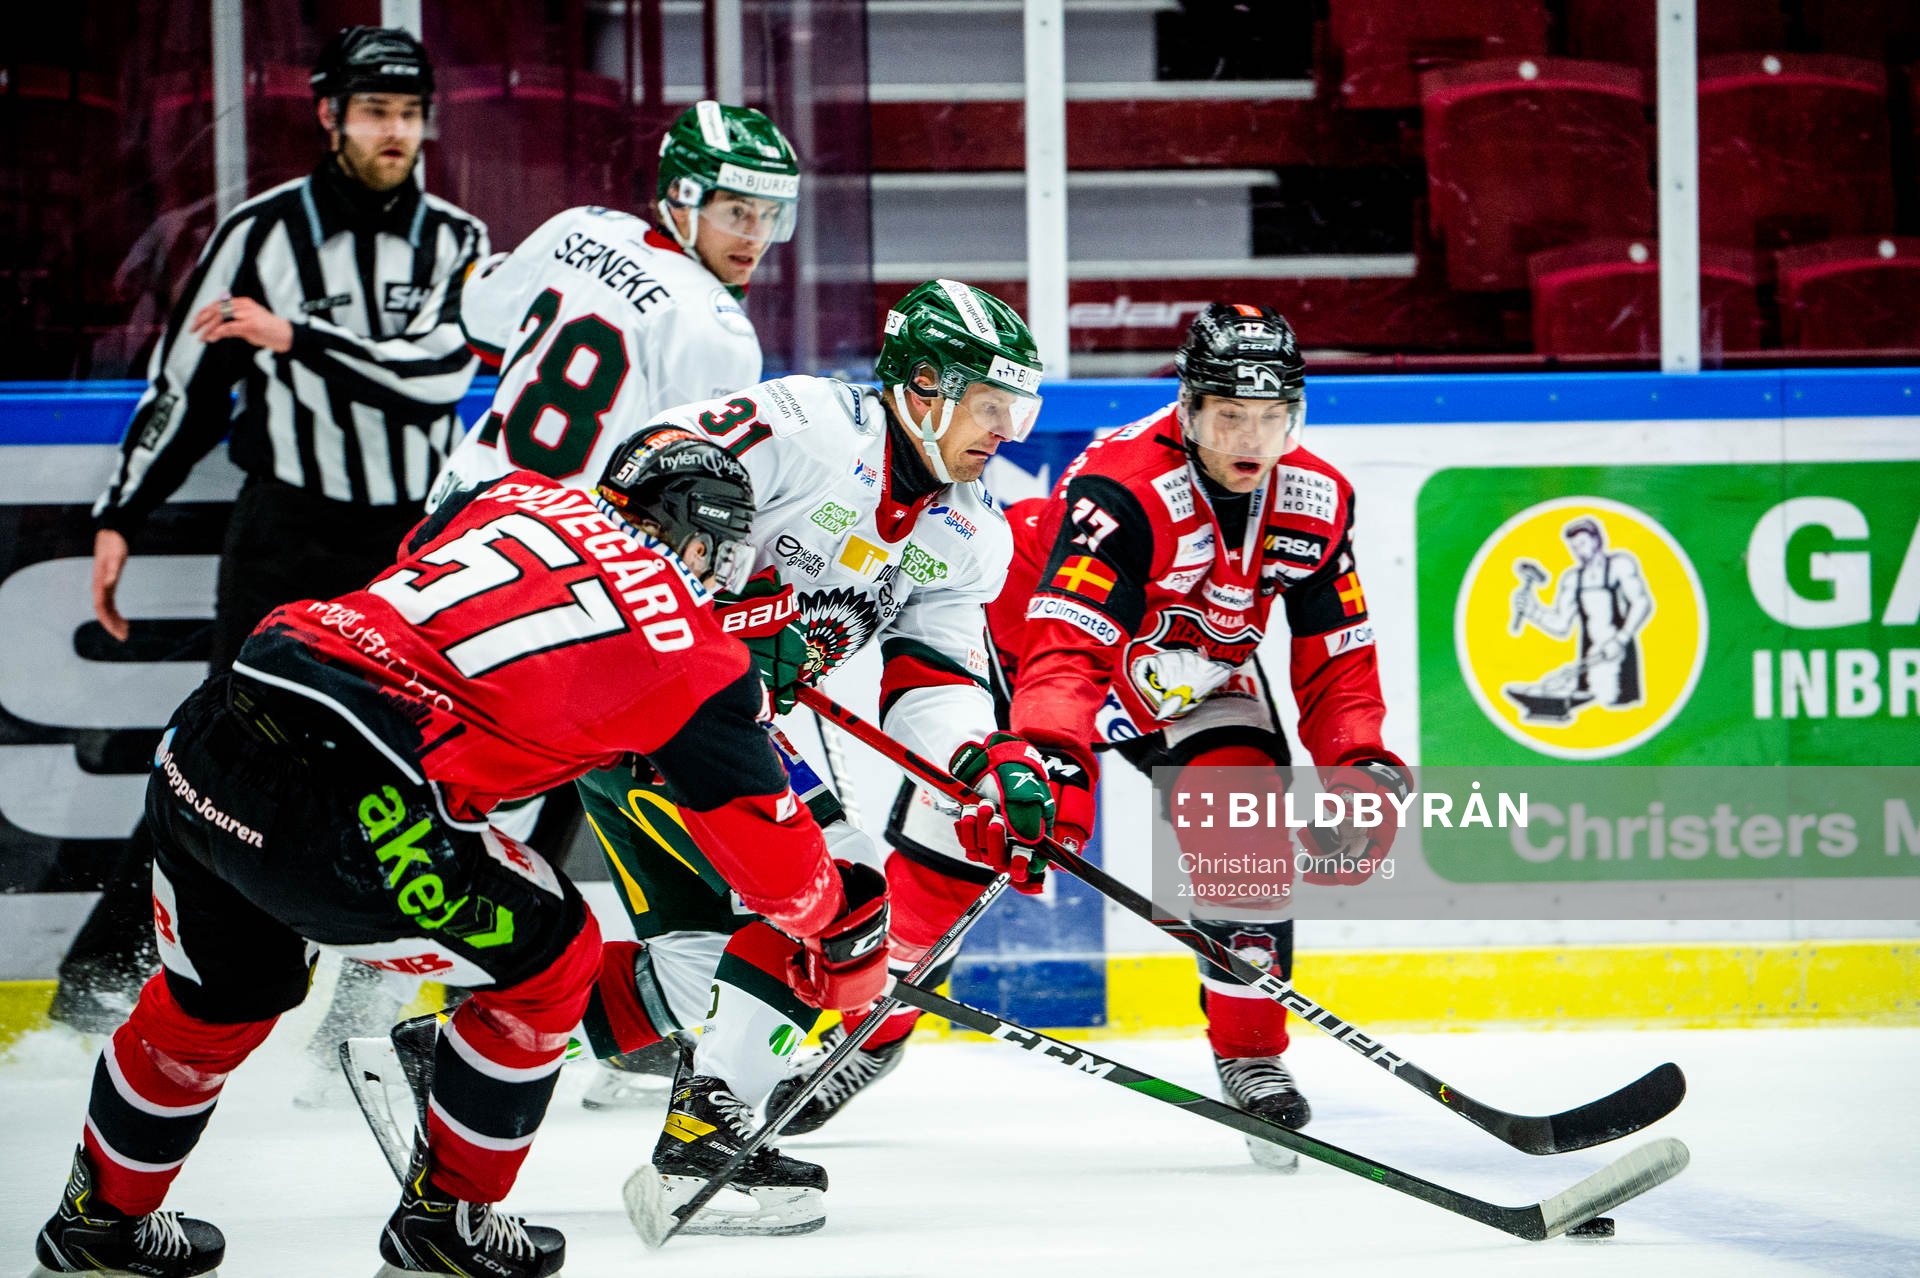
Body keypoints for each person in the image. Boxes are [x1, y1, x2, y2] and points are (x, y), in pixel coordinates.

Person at [30, 429, 890, 1277]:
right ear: (697, 537)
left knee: (216, 1000)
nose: (721, 578)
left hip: (214, 731)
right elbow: (773, 864)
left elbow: (431, 581)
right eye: (720, 554)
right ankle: (451, 1223)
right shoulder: (697, 656)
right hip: (352, 798)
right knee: (556, 954)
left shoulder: (515, 493)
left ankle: (100, 1221)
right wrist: (839, 918)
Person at [777, 303, 1407, 1168]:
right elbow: (1069, 651)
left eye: (1272, 417)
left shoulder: (1317, 501)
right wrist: (1048, 759)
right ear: (1188, 408)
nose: (1252, 439)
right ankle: (868, 1031)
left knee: (1245, 828)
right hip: (1034, 659)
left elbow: (1339, 657)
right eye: (1230, 414)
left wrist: (1360, 765)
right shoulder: (1123, 489)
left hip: (1194, 676)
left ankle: (1252, 1053)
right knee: (946, 868)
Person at [524, 278, 1056, 1233]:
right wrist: (713, 612)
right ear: (924, 386)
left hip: (716, 729)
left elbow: (934, 677)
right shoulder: (813, 424)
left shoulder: (967, 528)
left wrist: (983, 761)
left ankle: (444, 1061)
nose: (1004, 431)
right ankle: (701, 1147)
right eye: (989, 405)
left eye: (1015, 408)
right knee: (840, 893)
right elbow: (647, 473)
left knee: (704, 971)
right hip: (648, 702)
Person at [53, 25, 489, 1035]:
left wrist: (295, 336)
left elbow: (435, 380)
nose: (397, 132)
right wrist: (122, 512)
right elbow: (187, 388)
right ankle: (101, 986)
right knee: (219, 756)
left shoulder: (462, 244)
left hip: (413, 547)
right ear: (329, 113)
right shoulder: (257, 236)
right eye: (376, 111)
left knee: (430, 769)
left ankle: (365, 1011)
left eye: (411, 113)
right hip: (287, 531)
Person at [428, 101, 802, 1103]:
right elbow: (697, 490)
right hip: (548, 578)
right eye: (735, 212)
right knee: (580, 777)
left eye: (771, 216)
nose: (754, 237)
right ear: (681, 199)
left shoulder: (574, 227)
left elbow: (475, 317)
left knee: (454, 782)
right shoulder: (716, 327)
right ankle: (466, 1027)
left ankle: (403, 1005)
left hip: (445, 535)